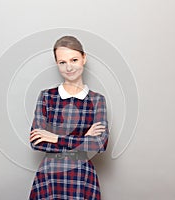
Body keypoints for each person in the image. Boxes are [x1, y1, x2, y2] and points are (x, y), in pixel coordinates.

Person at [29, 35, 109, 200]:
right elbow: (36, 142)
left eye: (74, 60)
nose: (69, 67)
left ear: (84, 58)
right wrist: (83, 139)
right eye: (62, 62)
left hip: (82, 175)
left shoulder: (96, 100)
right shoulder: (46, 97)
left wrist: (55, 138)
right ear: (57, 63)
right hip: (49, 176)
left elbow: (100, 144)